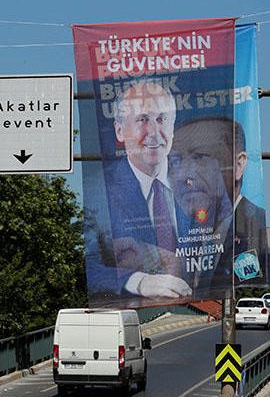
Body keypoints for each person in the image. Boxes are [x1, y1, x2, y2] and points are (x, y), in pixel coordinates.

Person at [85, 81, 232, 302]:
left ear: (172, 129)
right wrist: (138, 281)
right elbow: (88, 266)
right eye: (142, 120)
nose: (154, 133)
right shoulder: (96, 191)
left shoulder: (202, 183)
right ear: (119, 130)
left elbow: (225, 241)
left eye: (162, 120)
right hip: (133, 313)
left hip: (198, 309)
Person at [173, 117, 267, 285]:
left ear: (238, 165)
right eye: (176, 161)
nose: (182, 175)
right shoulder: (180, 238)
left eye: (199, 157)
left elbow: (250, 288)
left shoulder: (257, 228)